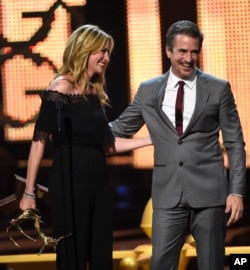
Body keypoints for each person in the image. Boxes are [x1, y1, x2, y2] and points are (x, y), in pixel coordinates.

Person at [110, 20, 246, 270]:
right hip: (167, 192)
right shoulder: (149, 90)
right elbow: (118, 129)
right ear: (168, 51)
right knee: (161, 263)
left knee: (211, 264)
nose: (188, 58)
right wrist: (81, 122)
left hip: (210, 193)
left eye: (194, 51)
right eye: (182, 51)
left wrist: (236, 191)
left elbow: (235, 143)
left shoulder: (218, 88)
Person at [19, 24, 151, 270]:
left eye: (108, 52)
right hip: (70, 184)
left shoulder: (93, 92)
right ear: (84, 51)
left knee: (101, 252)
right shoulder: (60, 89)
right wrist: (29, 192)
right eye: (101, 51)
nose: (106, 58)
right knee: (73, 256)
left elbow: (106, 144)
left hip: (98, 183)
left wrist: (148, 140)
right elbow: (39, 143)